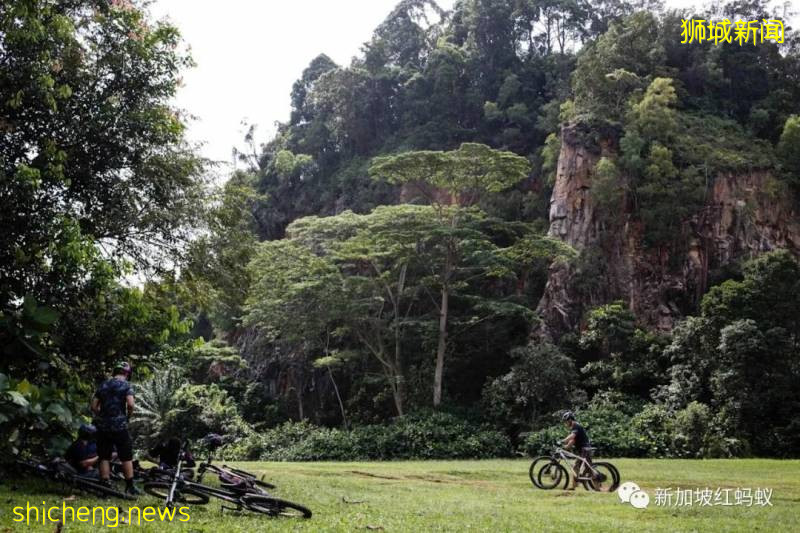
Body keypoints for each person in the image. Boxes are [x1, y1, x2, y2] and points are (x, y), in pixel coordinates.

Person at [91, 361, 139, 495]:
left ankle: (105, 486)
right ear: (127, 374)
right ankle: (130, 486)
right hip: (120, 426)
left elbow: (94, 406)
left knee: (104, 456)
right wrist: (127, 417)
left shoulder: (103, 385)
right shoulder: (126, 385)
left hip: (103, 427)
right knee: (126, 455)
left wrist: (102, 416)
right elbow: (130, 404)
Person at [561, 410, 592, 490]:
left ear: (570, 420)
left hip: (584, 449)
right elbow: (573, 440)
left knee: (587, 468)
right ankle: (574, 486)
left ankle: (597, 487)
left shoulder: (576, 426)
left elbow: (572, 436)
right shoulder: (574, 427)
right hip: (583, 449)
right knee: (578, 467)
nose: (565, 423)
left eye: (566, 421)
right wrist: (567, 446)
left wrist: (563, 441)